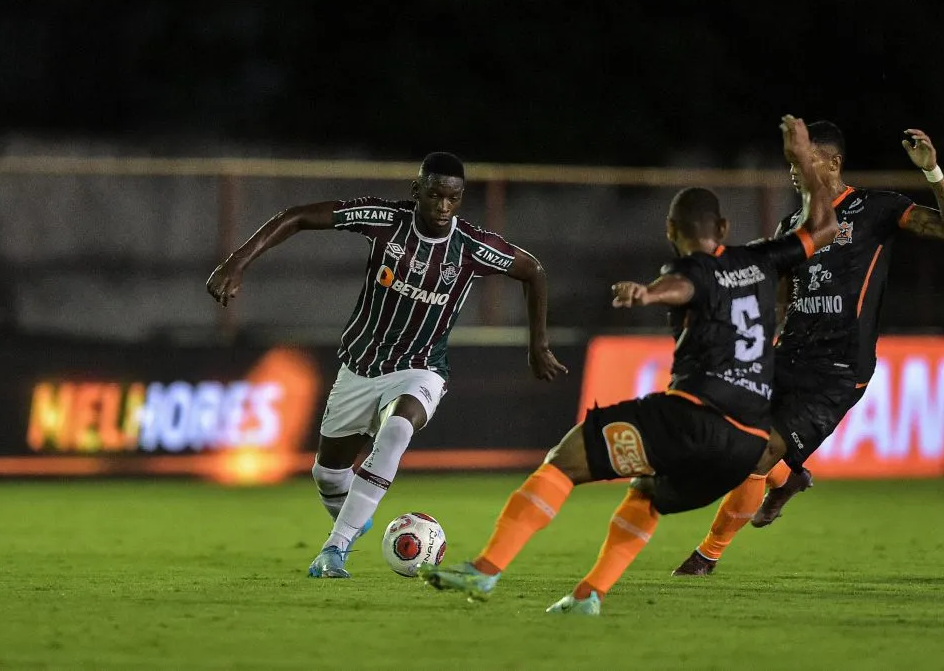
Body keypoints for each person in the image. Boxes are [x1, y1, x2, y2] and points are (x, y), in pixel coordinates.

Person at [418, 116, 838, 614]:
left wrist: (648, 292)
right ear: (723, 229)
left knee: (567, 457)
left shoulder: (689, 266)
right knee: (648, 493)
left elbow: (684, 285)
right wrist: (803, 162)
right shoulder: (766, 257)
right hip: (747, 447)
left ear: (670, 232)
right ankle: (587, 596)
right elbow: (825, 226)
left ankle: (485, 572)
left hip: (694, 418)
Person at [205, 151, 567, 578]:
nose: (443, 207)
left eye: (453, 199)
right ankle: (356, 519)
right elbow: (299, 216)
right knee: (327, 476)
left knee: (398, 428)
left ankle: (334, 550)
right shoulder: (386, 220)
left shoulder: (471, 247)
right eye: (434, 196)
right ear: (417, 191)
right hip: (360, 366)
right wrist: (236, 261)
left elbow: (534, 271)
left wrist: (537, 345)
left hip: (421, 367)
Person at [671, 124, 944, 577]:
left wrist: (931, 172)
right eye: (792, 163)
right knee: (728, 437)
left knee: (759, 453)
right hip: (788, 354)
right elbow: (782, 294)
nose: (794, 171)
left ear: (832, 164)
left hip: (837, 368)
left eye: (802, 162)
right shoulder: (793, 225)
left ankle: (707, 556)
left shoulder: (876, 209)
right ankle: (789, 480)